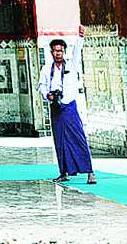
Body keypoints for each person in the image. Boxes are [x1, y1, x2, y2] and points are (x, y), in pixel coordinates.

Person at [38, 38, 96, 185]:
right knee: (60, 140)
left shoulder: (71, 64)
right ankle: (64, 172)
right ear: (51, 52)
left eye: (60, 51)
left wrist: (80, 38)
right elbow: (42, 85)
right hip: (55, 106)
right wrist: (47, 95)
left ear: (64, 51)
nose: (58, 53)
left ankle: (90, 172)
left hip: (69, 106)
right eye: (55, 51)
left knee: (78, 137)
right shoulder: (46, 69)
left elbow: (77, 51)